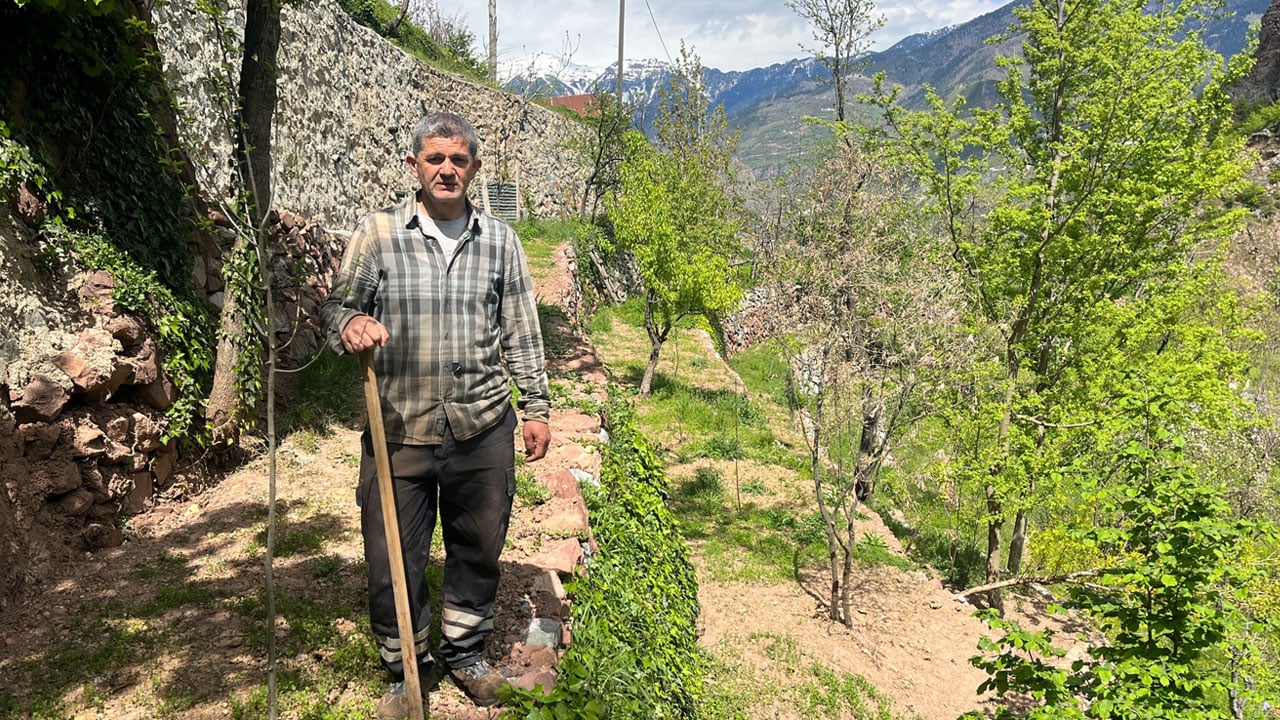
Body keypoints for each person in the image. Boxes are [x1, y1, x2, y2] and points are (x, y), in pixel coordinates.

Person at [321, 112, 551, 716]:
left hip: (482, 425)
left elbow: (522, 332)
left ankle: (464, 654)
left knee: (477, 546)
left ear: (474, 168)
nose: (446, 170)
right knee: (392, 555)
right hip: (399, 428)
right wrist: (351, 322)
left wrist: (537, 408)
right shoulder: (378, 235)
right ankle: (407, 670)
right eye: (434, 159)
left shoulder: (500, 241)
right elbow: (336, 307)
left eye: (458, 160)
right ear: (414, 166)